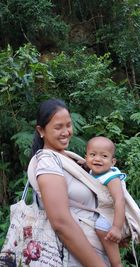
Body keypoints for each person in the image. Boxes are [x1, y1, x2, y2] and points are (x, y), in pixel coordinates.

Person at [30, 99, 111, 267]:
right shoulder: (47, 163)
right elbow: (61, 222)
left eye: (68, 125)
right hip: (74, 258)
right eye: (58, 127)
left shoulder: (71, 158)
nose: (66, 132)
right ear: (41, 130)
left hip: (93, 251)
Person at [85, 136, 126, 267]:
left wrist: (117, 228)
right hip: (100, 210)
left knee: (101, 226)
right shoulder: (91, 172)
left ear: (112, 162)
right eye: (93, 154)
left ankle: (117, 264)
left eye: (104, 156)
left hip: (112, 214)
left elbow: (119, 200)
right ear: (86, 158)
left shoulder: (111, 177)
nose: (97, 159)